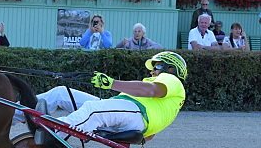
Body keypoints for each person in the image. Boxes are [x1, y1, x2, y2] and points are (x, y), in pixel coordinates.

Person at [32, 52, 187, 141]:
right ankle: (19, 112)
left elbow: (149, 90)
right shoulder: (169, 103)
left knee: (92, 110)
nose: (152, 71)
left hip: (135, 114)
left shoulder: (172, 80)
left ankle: (51, 132)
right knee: (61, 93)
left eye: (157, 66)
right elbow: (150, 135)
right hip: (127, 115)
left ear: (171, 69)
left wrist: (111, 83)